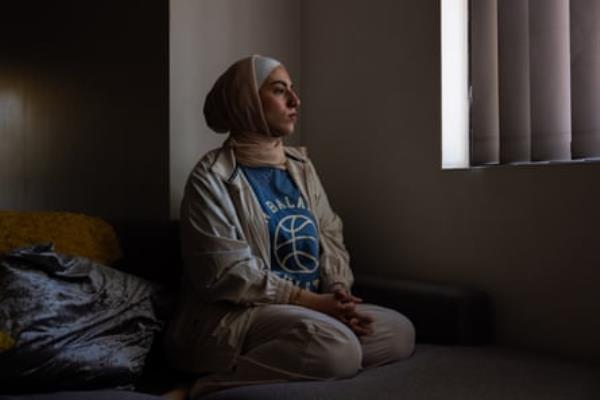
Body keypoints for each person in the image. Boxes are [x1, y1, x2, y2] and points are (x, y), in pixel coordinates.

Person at [164, 55, 415, 398]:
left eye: (292, 91)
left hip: (309, 311)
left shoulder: (300, 166)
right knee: (336, 347)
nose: (295, 101)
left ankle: (308, 357)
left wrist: (339, 292)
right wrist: (310, 301)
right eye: (280, 91)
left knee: (399, 331)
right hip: (242, 316)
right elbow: (225, 274)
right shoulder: (211, 177)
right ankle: (202, 388)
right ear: (247, 101)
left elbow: (329, 233)